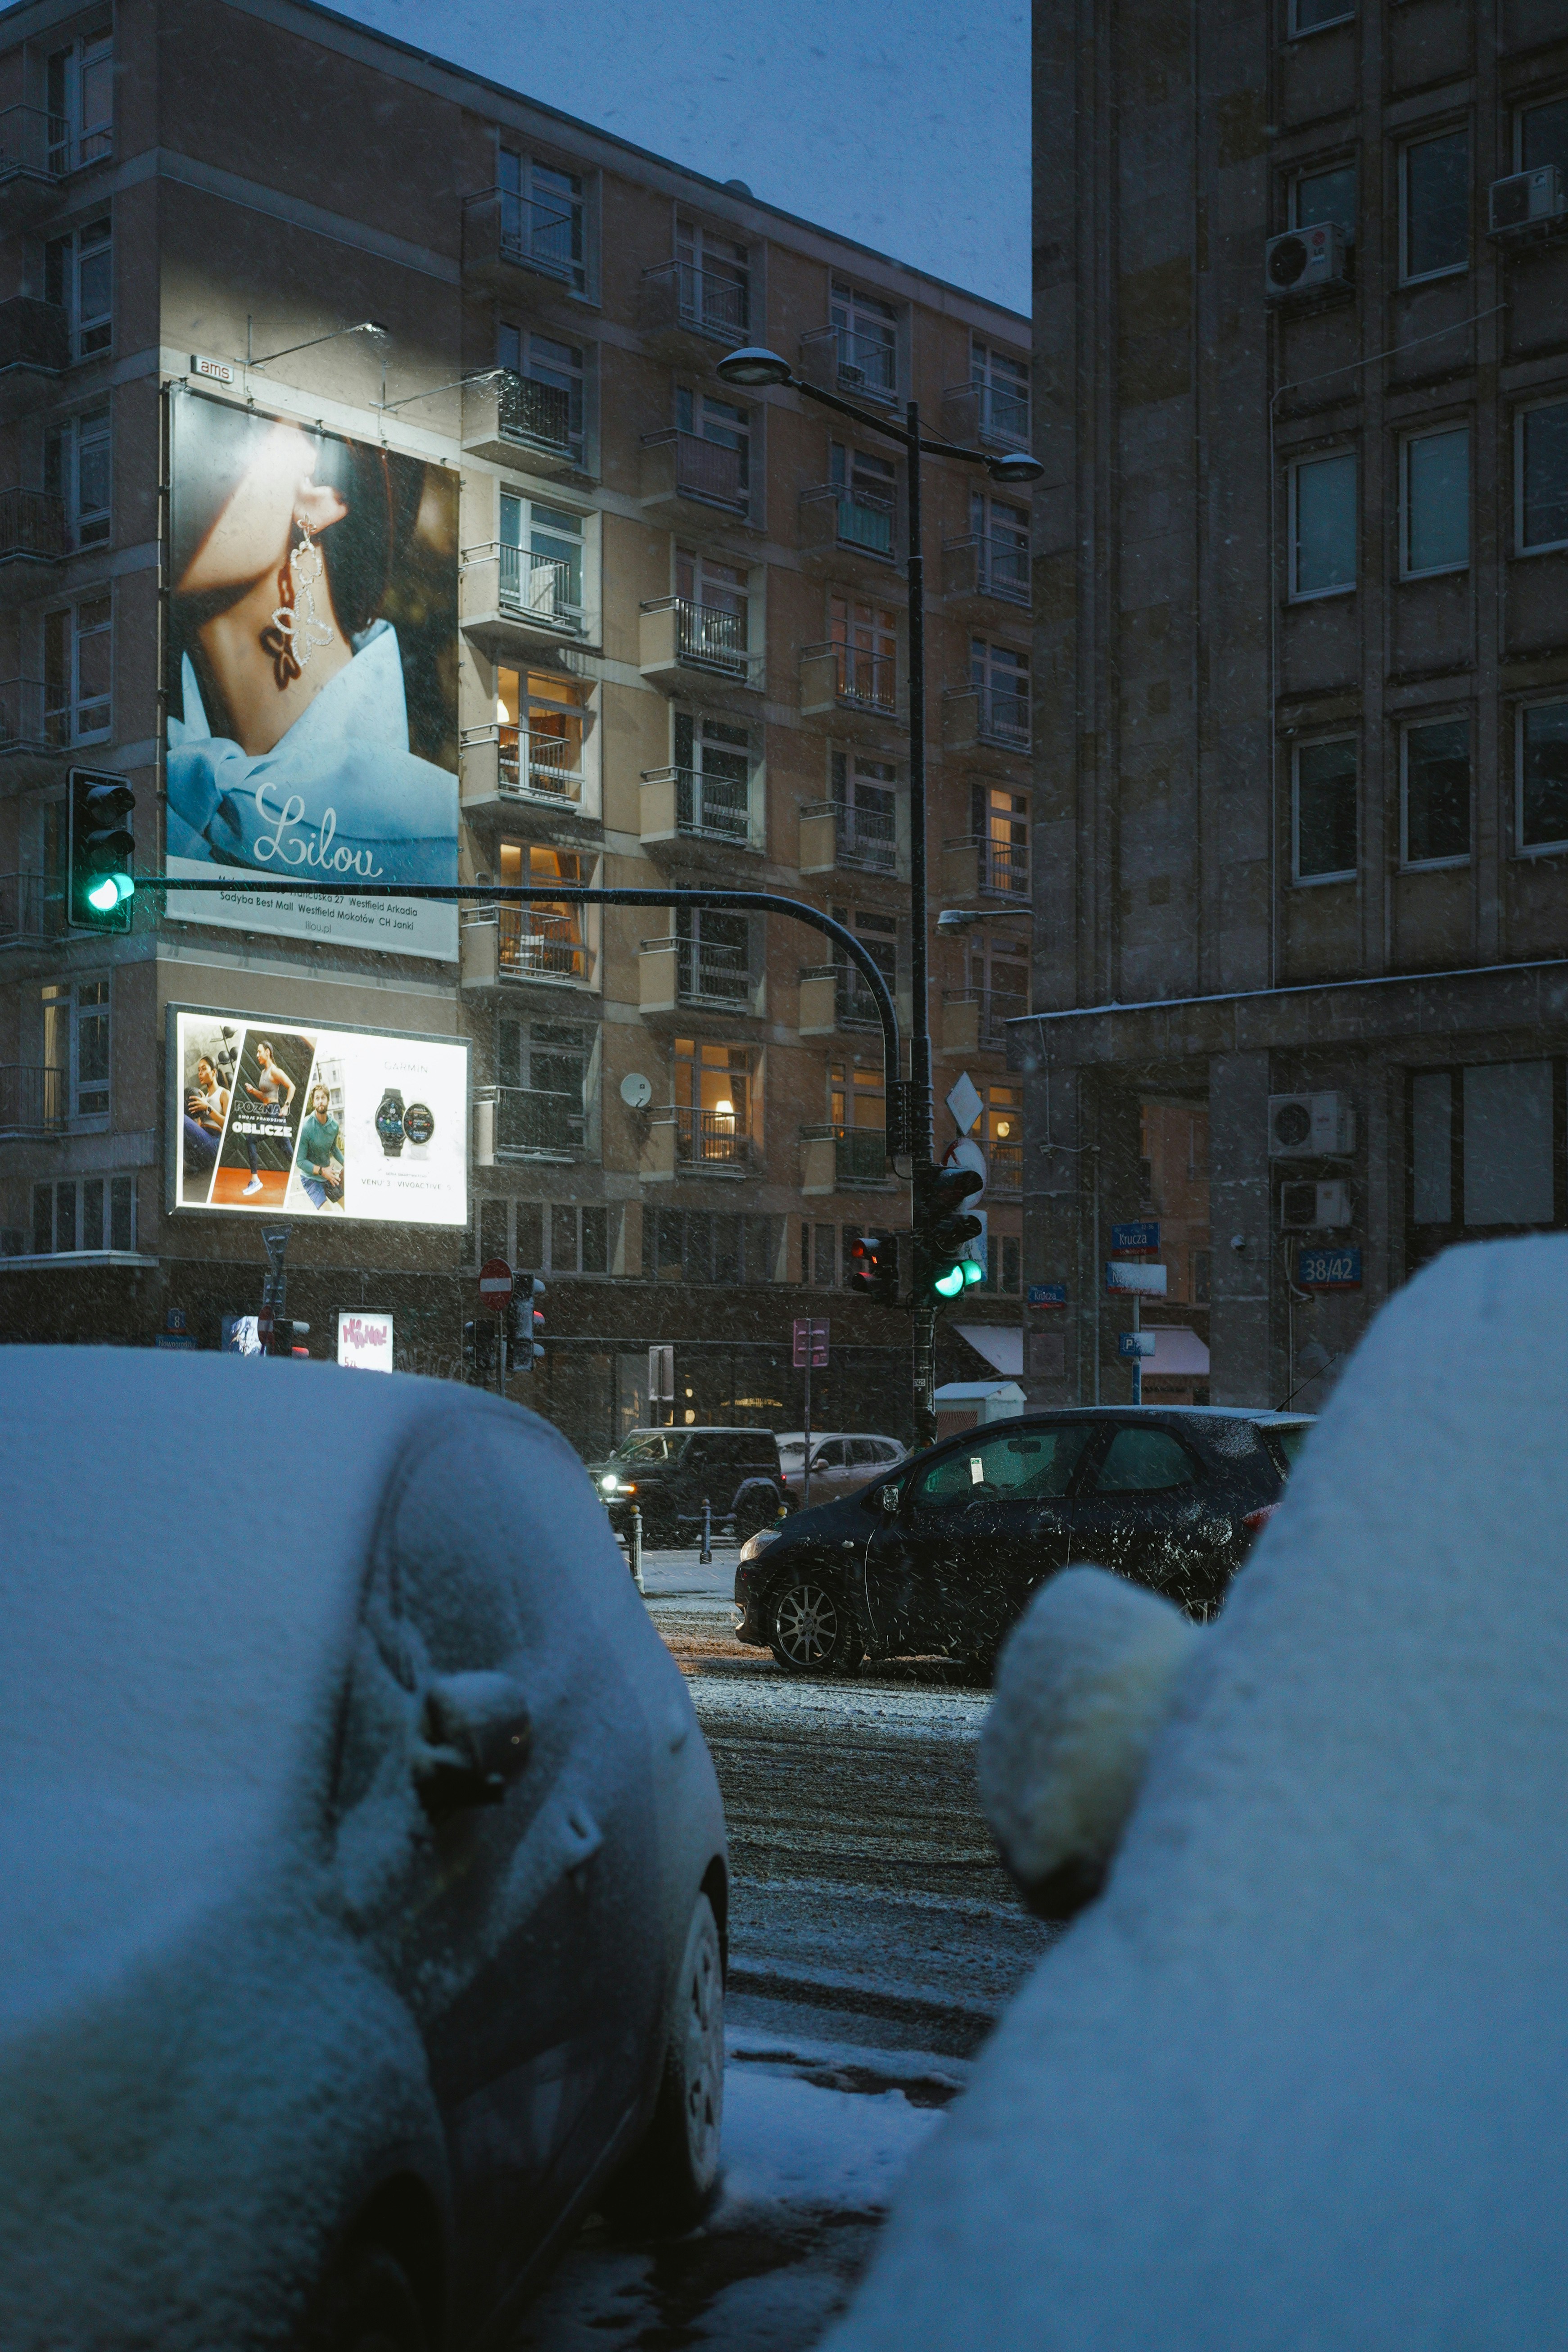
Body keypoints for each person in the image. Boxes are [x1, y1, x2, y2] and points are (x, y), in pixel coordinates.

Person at [165, 411, 457, 886]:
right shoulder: (142, 790)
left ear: (320, 489)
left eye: (219, 424)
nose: (159, 468)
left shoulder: (438, 846)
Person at [238, 1040, 295, 1198]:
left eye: (259, 1052)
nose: (257, 1055)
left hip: (275, 1114)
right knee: (289, 1153)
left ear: (268, 1052)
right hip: (269, 1113)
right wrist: (253, 1091)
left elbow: (292, 1087)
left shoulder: (275, 1071)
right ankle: (307, 1173)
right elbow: (265, 1097)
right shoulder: (264, 1072)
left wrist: (286, 1106)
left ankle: (255, 1181)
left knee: (250, 1139)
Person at [294, 1082, 344, 1210]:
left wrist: (346, 1164)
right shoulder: (306, 1126)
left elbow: (334, 1148)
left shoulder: (334, 1126)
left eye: (323, 1098)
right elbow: (300, 1161)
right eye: (317, 1098)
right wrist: (323, 1171)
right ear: (313, 1102)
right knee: (329, 1214)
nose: (320, 1101)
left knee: (348, 1205)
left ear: (328, 1101)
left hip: (328, 1176)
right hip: (310, 1178)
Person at [182, 1054, 227, 1186]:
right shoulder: (204, 1097)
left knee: (177, 1116)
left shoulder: (224, 1094)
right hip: (198, 1152)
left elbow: (229, 1126)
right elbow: (199, 1128)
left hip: (215, 1144)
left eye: (204, 1069)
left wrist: (207, 1108)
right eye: (199, 1070)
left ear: (214, 1072)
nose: (200, 1073)